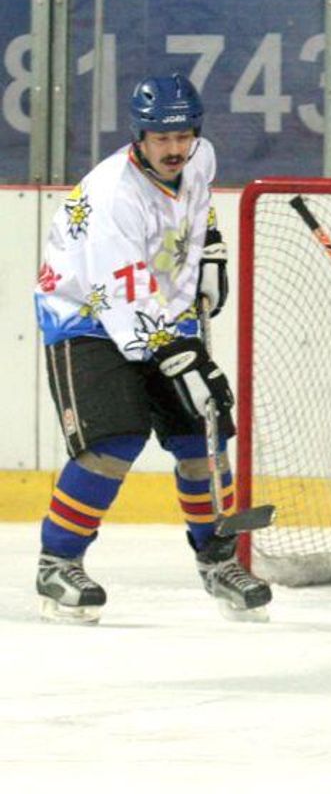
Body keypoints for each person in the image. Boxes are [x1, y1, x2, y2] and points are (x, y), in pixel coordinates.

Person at [33, 73, 271, 624]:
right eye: (161, 138)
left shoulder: (200, 159)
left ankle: (217, 560)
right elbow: (120, 293)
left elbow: (200, 208)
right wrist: (180, 358)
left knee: (203, 436)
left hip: (164, 309)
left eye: (182, 135)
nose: (174, 148)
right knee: (113, 440)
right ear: (139, 136)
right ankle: (57, 562)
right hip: (88, 317)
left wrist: (211, 250)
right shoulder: (113, 195)